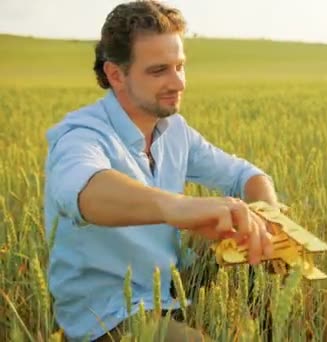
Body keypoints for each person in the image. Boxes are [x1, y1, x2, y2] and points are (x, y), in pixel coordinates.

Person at [43, 1, 279, 340]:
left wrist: (267, 217)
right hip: (108, 315)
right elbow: (85, 191)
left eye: (180, 66)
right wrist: (179, 208)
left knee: (255, 239)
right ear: (115, 74)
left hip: (169, 290)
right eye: (159, 71)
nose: (178, 83)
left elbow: (248, 176)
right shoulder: (80, 135)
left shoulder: (173, 130)